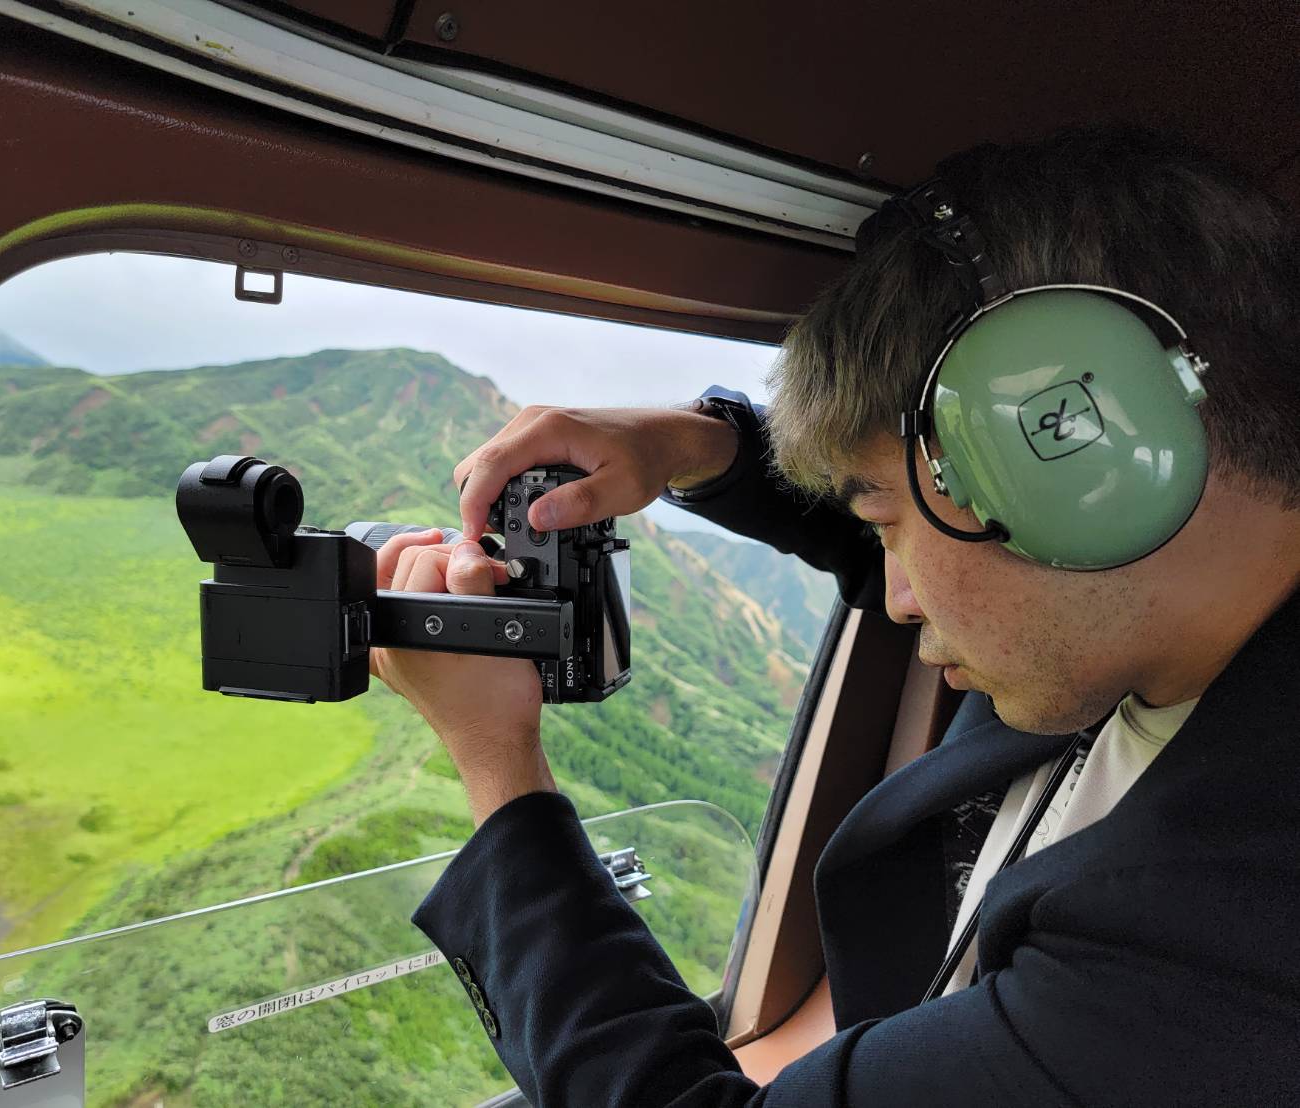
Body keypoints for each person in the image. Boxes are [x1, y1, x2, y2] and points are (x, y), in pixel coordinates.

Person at [368, 125, 1300, 1105]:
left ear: (1079, 469)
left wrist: (495, 760)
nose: (896, 598)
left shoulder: (1221, 943)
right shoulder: (1136, 602)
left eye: (887, 520)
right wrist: (691, 444)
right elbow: (961, 542)